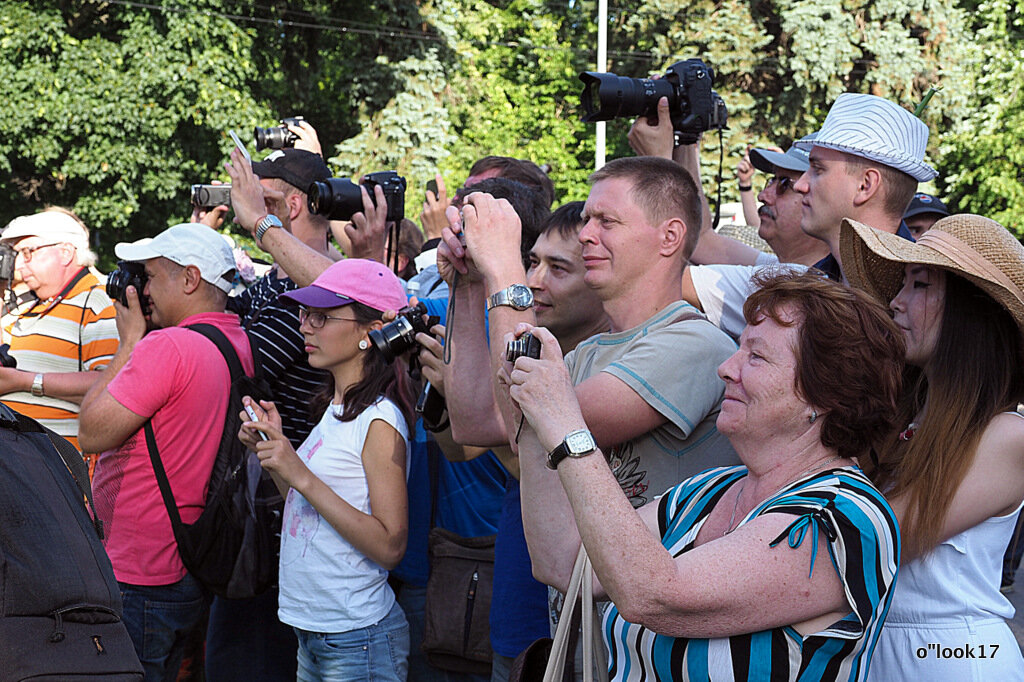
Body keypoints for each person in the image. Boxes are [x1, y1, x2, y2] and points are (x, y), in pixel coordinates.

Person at [505, 268, 903, 681]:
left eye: (756, 356)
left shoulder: (842, 520)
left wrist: (569, 426)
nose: (727, 368)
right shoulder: (706, 492)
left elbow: (654, 595)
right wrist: (533, 419)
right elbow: (564, 563)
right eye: (738, 349)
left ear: (823, 395)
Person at [441, 156, 740, 508]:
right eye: (586, 220)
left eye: (606, 222)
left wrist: (505, 269)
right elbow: (476, 424)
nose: (585, 235)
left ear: (669, 237)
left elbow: (534, 428)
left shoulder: (695, 345)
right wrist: (468, 282)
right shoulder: (587, 352)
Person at [840, 214, 1024, 680]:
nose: (896, 302)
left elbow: (879, 537)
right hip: (880, 651)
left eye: (919, 285)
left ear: (970, 313)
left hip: (956, 658)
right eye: (902, 284)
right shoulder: (902, 415)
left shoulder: (1006, 436)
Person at [78, 223, 248, 681]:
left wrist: (129, 342)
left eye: (150, 276)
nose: (144, 290)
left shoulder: (168, 346)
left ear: (190, 279)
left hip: (139, 569)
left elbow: (91, 432)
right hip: (189, 559)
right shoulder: (234, 340)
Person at [238, 258, 415, 682]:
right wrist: (274, 453)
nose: (305, 326)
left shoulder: (379, 419)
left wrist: (298, 471)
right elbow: (306, 507)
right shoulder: (337, 409)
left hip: (357, 639)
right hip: (322, 635)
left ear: (371, 332)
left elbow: (391, 546)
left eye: (321, 316)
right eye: (304, 313)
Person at [681, 133, 830, 338]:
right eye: (771, 180)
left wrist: (657, 162)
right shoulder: (791, 269)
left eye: (784, 184)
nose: (763, 195)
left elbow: (662, 280)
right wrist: (686, 141)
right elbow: (704, 240)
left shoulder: (787, 284)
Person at [0, 210, 118, 458]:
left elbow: (111, 386)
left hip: (58, 472)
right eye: (16, 254)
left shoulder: (98, 301)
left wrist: (24, 381)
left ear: (65, 252)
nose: (19, 265)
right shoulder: (27, 305)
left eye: (28, 252)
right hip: (19, 466)